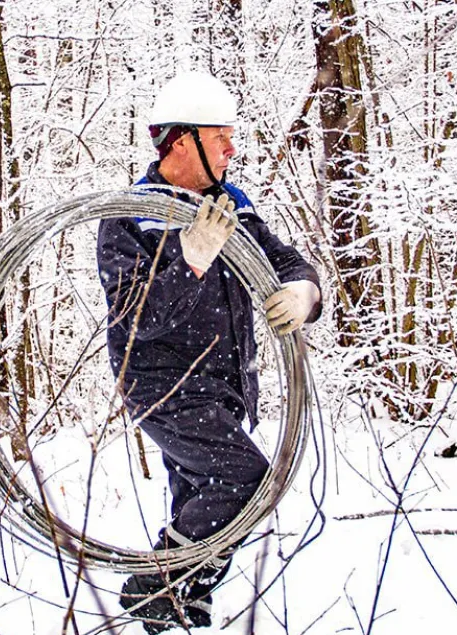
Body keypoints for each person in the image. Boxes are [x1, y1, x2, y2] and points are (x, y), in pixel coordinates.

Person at [96, 70, 323, 633]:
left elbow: (284, 261)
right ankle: (155, 584)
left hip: (227, 383)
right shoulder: (131, 215)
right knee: (244, 481)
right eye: (220, 138)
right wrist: (190, 257)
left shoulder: (234, 208)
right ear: (181, 141)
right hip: (163, 382)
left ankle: (178, 608)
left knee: (201, 499)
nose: (231, 150)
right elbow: (135, 317)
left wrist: (304, 291)